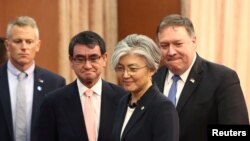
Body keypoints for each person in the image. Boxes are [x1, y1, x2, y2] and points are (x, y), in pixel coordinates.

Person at [153, 14, 249, 141]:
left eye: (178, 44)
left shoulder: (222, 79)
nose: (171, 52)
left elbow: (236, 132)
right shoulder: (152, 79)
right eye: (164, 45)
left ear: (193, 42)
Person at [38, 31, 128, 141]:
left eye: (93, 58)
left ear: (104, 59)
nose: (87, 65)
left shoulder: (123, 99)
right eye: (80, 59)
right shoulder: (53, 103)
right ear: (71, 61)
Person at [0, 16, 66, 141]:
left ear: (37, 45)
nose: (24, 47)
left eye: (29, 42)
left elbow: (61, 130)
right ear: (7, 45)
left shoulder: (55, 84)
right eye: (18, 41)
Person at [111, 34, 179, 141]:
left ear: (151, 69)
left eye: (133, 69)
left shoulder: (163, 108)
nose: (125, 75)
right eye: (120, 68)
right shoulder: (123, 102)